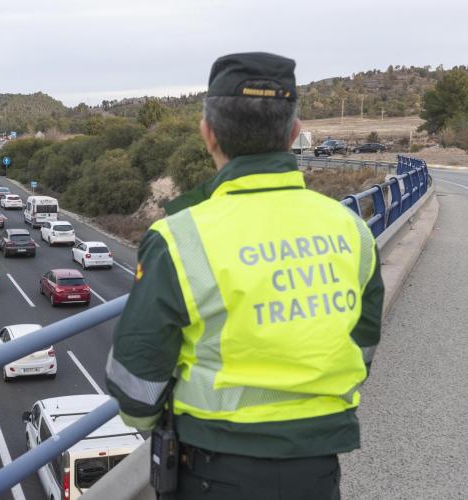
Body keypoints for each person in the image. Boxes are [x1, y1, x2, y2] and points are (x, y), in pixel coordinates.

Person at [105, 52, 384, 499]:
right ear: (293, 132)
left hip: (213, 470)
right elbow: (362, 348)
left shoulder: (179, 238)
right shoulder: (352, 229)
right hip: (316, 470)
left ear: (208, 133)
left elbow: (135, 390)